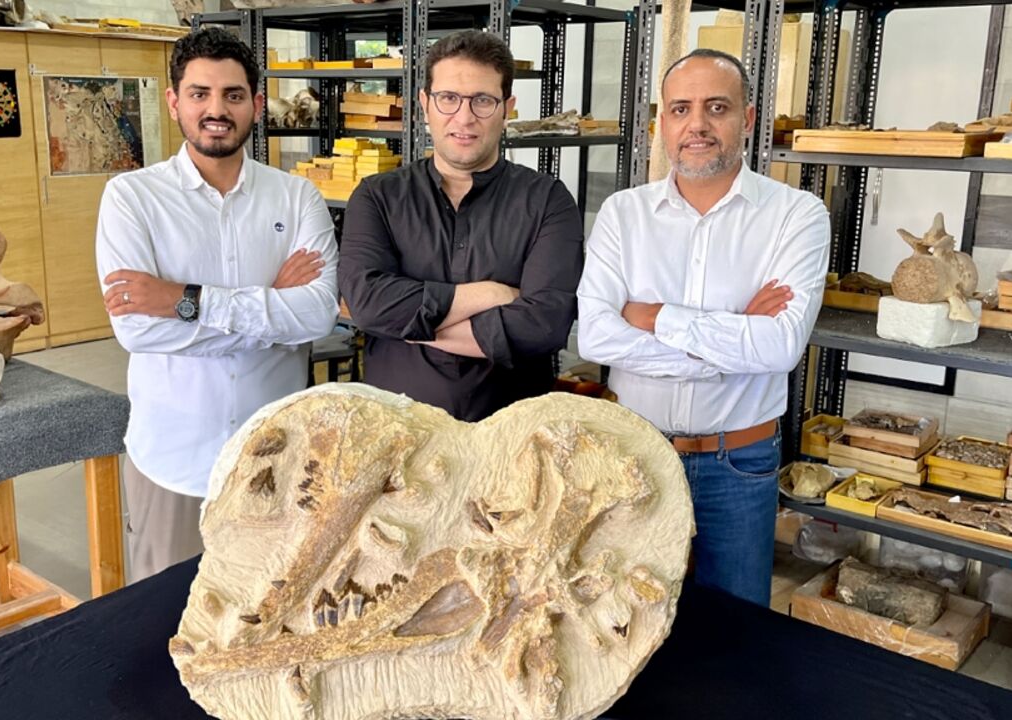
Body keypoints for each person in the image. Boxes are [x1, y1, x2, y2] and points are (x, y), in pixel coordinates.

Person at [576, 48, 830, 606]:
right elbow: (594, 335)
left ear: (748, 118)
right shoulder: (624, 213)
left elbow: (781, 345)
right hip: (634, 450)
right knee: (622, 617)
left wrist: (655, 317)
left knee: (735, 629)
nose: (697, 125)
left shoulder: (797, 215)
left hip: (738, 463)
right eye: (680, 108)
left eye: (717, 107)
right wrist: (733, 334)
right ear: (660, 122)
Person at [95, 27, 339, 582]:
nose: (216, 110)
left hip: (274, 460)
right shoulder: (132, 198)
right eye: (200, 93)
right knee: (166, 621)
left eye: (232, 95)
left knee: (267, 612)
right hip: (175, 461)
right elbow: (137, 331)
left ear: (256, 104)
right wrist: (271, 307)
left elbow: (316, 314)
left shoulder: (295, 196)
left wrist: (185, 300)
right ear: (174, 101)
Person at [338, 30, 583, 422]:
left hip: (513, 444)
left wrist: (407, 326)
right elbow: (368, 304)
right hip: (398, 438)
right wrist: (491, 293)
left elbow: (545, 326)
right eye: (448, 98)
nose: (464, 117)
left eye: (483, 100)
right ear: (424, 105)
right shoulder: (377, 197)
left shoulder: (547, 200)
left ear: (508, 108)